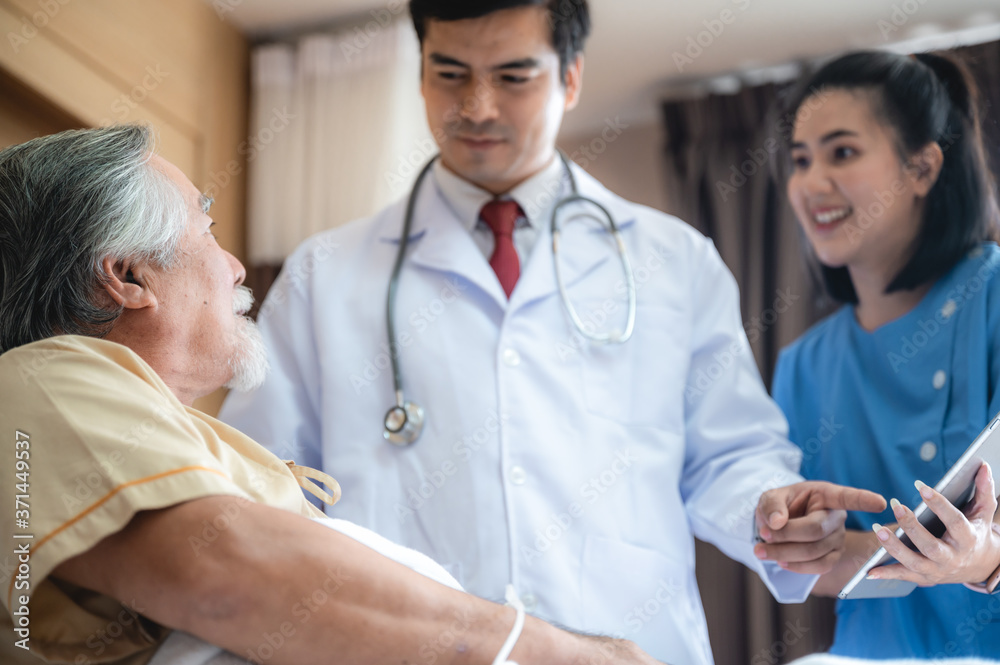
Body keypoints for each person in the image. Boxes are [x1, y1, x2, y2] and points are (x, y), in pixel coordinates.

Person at [220, 3, 885, 663]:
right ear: (420, 75)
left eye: (513, 76)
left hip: (635, 644)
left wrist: (770, 506)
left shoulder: (672, 260)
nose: (477, 107)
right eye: (450, 73)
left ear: (570, 78)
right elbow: (258, 488)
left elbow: (729, 455)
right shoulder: (325, 275)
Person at [0, 125, 674, 665]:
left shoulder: (153, 427)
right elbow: (228, 573)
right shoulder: (37, 383)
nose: (235, 265)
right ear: (126, 274)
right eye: (205, 229)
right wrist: (558, 653)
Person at [767, 50, 1000, 658]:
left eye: (842, 152)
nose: (812, 183)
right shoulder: (803, 366)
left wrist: (984, 556)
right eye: (799, 160)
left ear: (922, 168)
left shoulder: (994, 300)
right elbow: (814, 565)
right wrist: (797, 543)